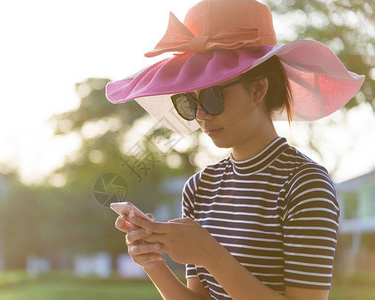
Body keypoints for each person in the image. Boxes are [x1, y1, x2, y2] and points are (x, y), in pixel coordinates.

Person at [106, 0, 365, 299]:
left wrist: (211, 254)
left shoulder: (305, 184)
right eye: (189, 102)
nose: (202, 115)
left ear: (258, 89)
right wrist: (152, 262)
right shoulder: (199, 187)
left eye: (213, 97)